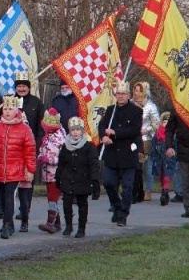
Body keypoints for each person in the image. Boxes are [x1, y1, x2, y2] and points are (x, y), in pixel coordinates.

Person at [0, 95, 36, 239]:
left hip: (15, 169)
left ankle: (6, 224)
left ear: (16, 110)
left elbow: (30, 150)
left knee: (9, 195)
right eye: (5, 109)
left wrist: (30, 170)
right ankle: (9, 221)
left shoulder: (24, 129)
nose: (7, 112)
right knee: (3, 195)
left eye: (10, 109)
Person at [95, 83, 143, 227]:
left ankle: (123, 214)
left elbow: (135, 130)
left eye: (123, 94)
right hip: (112, 154)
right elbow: (101, 126)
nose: (121, 96)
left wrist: (116, 132)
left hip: (128, 153)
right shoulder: (110, 110)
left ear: (129, 95)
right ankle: (116, 206)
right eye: (118, 94)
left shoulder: (136, 111)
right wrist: (104, 136)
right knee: (108, 182)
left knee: (127, 187)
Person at [54, 117, 99, 237]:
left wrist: (95, 181)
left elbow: (94, 164)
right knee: (67, 203)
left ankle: (81, 228)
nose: (75, 132)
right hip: (68, 178)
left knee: (82, 204)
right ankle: (68, 225)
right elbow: (61, 163)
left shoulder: (89, 147)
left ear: (82, 131)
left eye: (78, 130)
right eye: (73, 130)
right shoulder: (65, 146)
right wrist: (58, 178)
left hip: (82, 179)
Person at [36, 109, 66, 233]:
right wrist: (40, 157)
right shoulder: (47, 136)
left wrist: (49, 159)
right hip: (47, 172)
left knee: (52, 198)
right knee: (51, 197)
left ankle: (50, 222)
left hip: (57, 173)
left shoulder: (61, 138)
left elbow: (64, 158)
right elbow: (43, 149)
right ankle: (57, 223)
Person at [132, 81, 161, 203]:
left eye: (138, 90)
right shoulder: (131, 104)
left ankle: (148, 190)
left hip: (146, 140)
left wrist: (147, 129)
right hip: (132, 139)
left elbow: (157, 123)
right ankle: (136, 190)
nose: (136, 93)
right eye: (135, 90)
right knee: (134, 166)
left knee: (147, 166)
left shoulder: (151, 106)